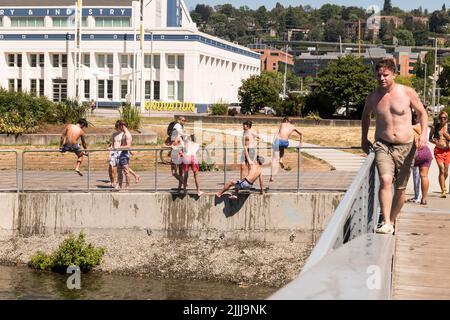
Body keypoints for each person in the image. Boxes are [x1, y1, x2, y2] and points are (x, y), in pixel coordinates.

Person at [361, 58, 428, 235]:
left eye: (385, 75)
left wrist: (423, 135)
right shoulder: (373, 97)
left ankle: (391, 218)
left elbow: (422, 113)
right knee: (385, 180)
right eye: (379, 75)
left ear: (394, 75)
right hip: (383, 144)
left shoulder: (407, 92)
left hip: (406, 147)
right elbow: (366, 116)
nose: (382, 78)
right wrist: (363, 138)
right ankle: (387, 221)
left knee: (400, 189)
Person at [407, 111, 432, 205]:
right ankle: (424, 199)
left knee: (404, 174)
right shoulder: (422, 127)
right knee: (424, 176)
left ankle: (399, 196)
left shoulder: (408, 128)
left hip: (415, 153)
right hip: (426, 152)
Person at [270, 117, 303, 182]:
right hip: (285, 143)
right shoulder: (293, 127)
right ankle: (281, 159)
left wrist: (273, 142)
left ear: (284, 121)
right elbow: (301, 134)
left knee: (274, 159)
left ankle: (272, 176)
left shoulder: (282, 124)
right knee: (282, 148)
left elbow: (276, 133)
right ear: (289, 122)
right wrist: (300, 144)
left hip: (278, 141)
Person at [429, 111, 450, 198]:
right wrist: (434, 141)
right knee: (441, 169)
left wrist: (447, 136)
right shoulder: (435, 127)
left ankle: (442, 182)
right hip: (438, 151)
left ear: (447, 119)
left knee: (445, 172)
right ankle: (443, 190)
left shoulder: (449, 127)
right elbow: (430, 138)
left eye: (444, 118)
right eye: (441, 118)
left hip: (447, 151)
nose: (442, 119)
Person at [108, 120, 124, 189]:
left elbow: (125, 144)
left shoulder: (123, 134)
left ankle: (118, 183)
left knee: (119, 169)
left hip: (120, 152)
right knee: (110, 168)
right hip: (113, 152)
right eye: (116, 127)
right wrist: (109, 151)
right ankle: (112, 181)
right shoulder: (114, 134)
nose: (117, 128)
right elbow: (112, 144)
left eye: (118, 127)